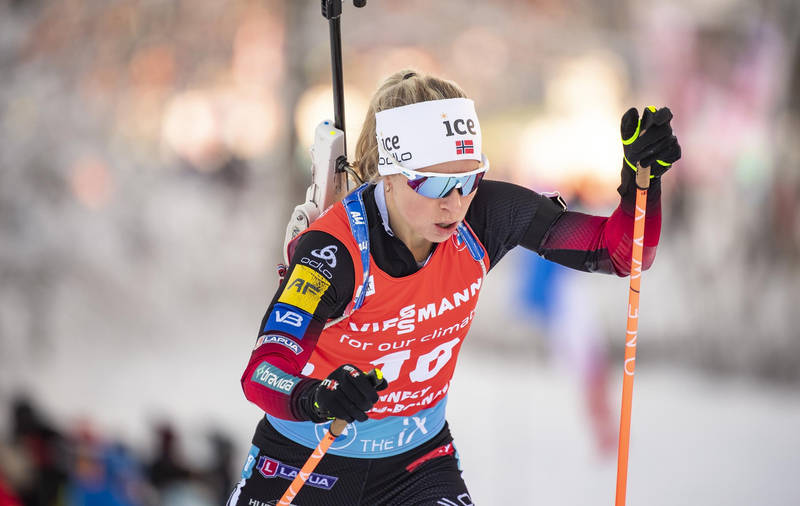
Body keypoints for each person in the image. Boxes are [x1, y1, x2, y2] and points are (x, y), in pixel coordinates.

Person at [230, 69, 681, 505]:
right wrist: (318, 395)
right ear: (389, 172)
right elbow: (262, 370)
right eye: (435, 183)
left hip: (417, 465)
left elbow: (622, 254)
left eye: (468, 179)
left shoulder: (484, 216)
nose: (455, 202)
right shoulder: (334, 253)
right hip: (305, 460)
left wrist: (642, 183)